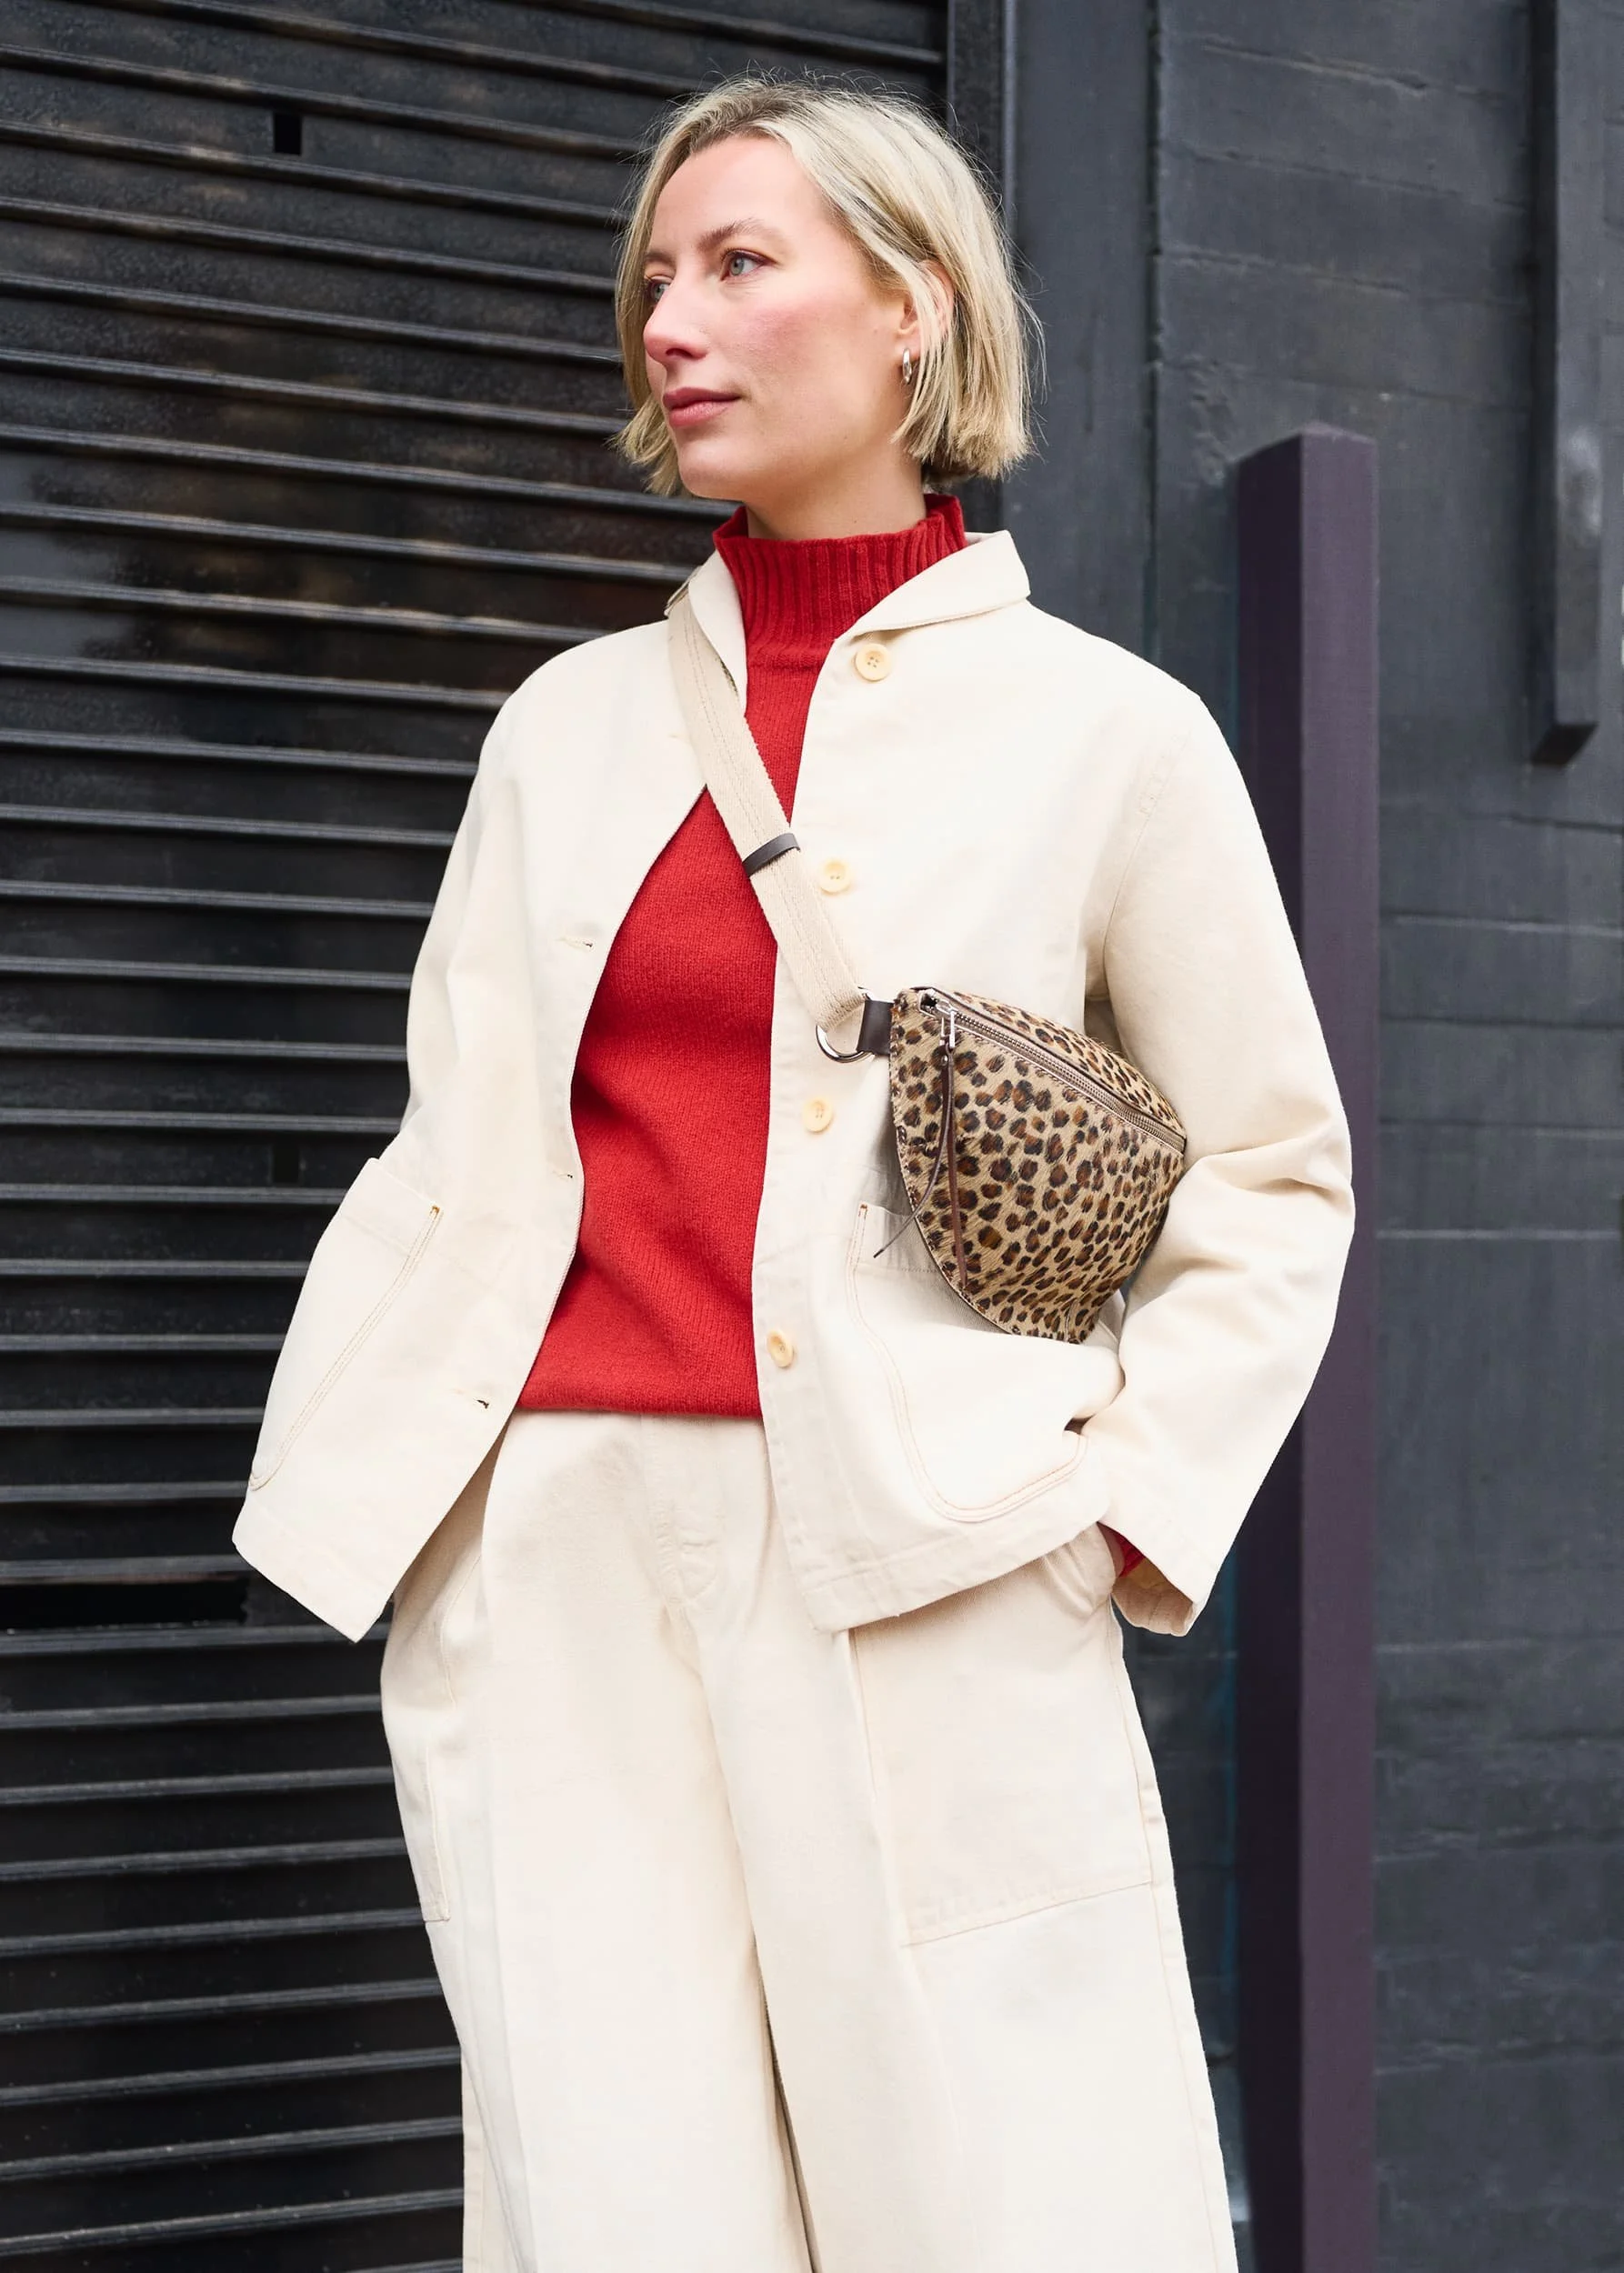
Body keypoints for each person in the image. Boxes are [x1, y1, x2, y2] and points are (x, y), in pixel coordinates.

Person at [234, 75, 1353, 2273]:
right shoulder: (563, 722)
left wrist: (1113, 1508)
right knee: (612, 2198)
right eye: (658, 272)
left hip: (924, 1545)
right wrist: (420, 1497)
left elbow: (1268, 1171)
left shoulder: (1104, 732)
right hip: (554, 1545)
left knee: (1010, 2191)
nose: (674, 316)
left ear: (912, 310)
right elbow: (453, 1133)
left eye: (741, 261)